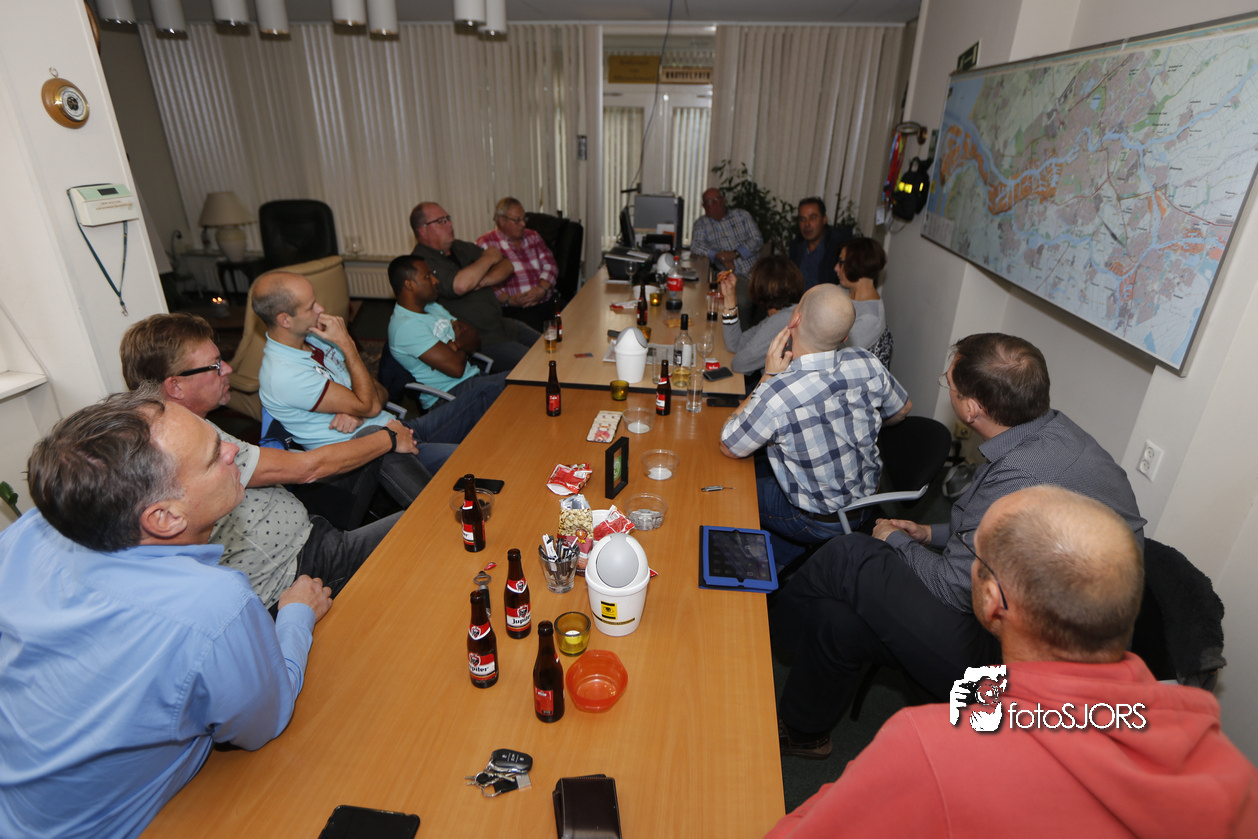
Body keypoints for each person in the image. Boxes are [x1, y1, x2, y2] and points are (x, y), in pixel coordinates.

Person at [765, 486, 1258, 838]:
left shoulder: (929, 746)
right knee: (840, 625)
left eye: (974, 561)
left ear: (990, 600)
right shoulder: (1233, 776)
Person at [771, 333, 1145, 760]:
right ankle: (805, 732)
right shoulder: (1052, 433)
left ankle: (770, 632)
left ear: (971, 409)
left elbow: (954, 587)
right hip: (1033, 620)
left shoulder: (1021, 473)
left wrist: (894, 540)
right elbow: (995, 530)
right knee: (837, 619)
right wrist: (928, 534)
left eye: (948, 383)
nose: (946, 387)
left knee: (852, 554)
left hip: (1019, 669)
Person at [0, 387, 333, 838]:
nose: (234, 450)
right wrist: (295, 615)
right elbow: (263, 724)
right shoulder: (213, 604)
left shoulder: (32, 528)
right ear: (165, 518)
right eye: (215, 456)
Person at [120, 313, 409, 610]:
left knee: (377, 448)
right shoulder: (181, 445)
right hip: (297, 570)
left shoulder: (186, 426)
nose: (228, 369)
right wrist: (389, 437)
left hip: (308, 530)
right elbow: (309, 469)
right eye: (216, 365)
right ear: (175, 387)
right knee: (419, 526)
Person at [719, 284, 911, 568]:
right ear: (844, 336)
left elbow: (729, 444)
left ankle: (768, 562)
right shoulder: (867, 362)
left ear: (794, 319)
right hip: (867, 502)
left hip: (816, 520)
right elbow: (903, 409)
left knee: (727, 487)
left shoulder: (778, 393)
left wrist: (767, 377)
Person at [254, 271, 468, 498]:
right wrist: (347, 345)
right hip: (368, 460)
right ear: (285, 320)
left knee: (483, 394)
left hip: (393, 428)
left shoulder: (315, 339)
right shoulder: (284, 373)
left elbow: (380, 393)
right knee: (465, 466)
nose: (320, 309)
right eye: (310, 307)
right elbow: (371, 404)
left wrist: (358, 411)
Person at [410, 201, 539, 370]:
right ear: (423, 230)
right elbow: (460, 285)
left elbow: (507, 265)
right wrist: (488, 258)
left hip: (502, 324)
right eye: (441, 221)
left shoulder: (460, 247)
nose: (449, 224)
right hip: (480, 339)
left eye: (448, 219)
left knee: (551, 346)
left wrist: (483, 280)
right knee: (536, 365)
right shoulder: (421, 263)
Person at [386, 255, 509, 412]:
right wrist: (460, 339)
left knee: (524, 381)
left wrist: (456, 345)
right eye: (427, 276)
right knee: (521, 385)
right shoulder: (406, 326)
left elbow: (474, 337)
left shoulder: (431, 306)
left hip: (473, 379)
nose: (435, 280)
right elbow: (456, 368)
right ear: (409, 285)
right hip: (449, 396)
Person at [475, 196, 559, 332]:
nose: (523, 224)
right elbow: (483, 283)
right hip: (514, 310)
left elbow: (551, 265)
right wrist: (508, 300)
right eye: (517, 220)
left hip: (545, 299)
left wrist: (542, 289)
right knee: (542, 338)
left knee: (577, 321)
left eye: (524, 219)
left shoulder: (533, 236)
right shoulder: (485, 243)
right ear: (502, 221)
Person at [718, 255, 805, 375]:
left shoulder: (782, 321)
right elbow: (735, 345)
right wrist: (730, 298)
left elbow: (740, 364)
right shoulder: (785, 314)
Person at [692, 187, 763, 325]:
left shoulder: (742, 215)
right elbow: (695, 246)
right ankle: (742, 334)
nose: (715, 203)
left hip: (757, 270)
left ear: (723, 200)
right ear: (704, 206)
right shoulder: (702, 224)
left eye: (717, 199)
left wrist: (734, 254)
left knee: (777, 293)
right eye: (709, 202)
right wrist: (719, 255)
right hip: (733, 276)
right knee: (741, 300)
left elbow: (757, 239)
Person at [833, 237, 893, 367]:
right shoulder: (842, 290)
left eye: (841, 262)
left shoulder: (871, 317)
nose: (836, 268)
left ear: (857, 266)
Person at [787, 197, 853, 290]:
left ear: (824, 219)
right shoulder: (796, 246)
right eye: (802, 219)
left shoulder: (838, 248)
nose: (807, 224)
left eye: (812, 218)